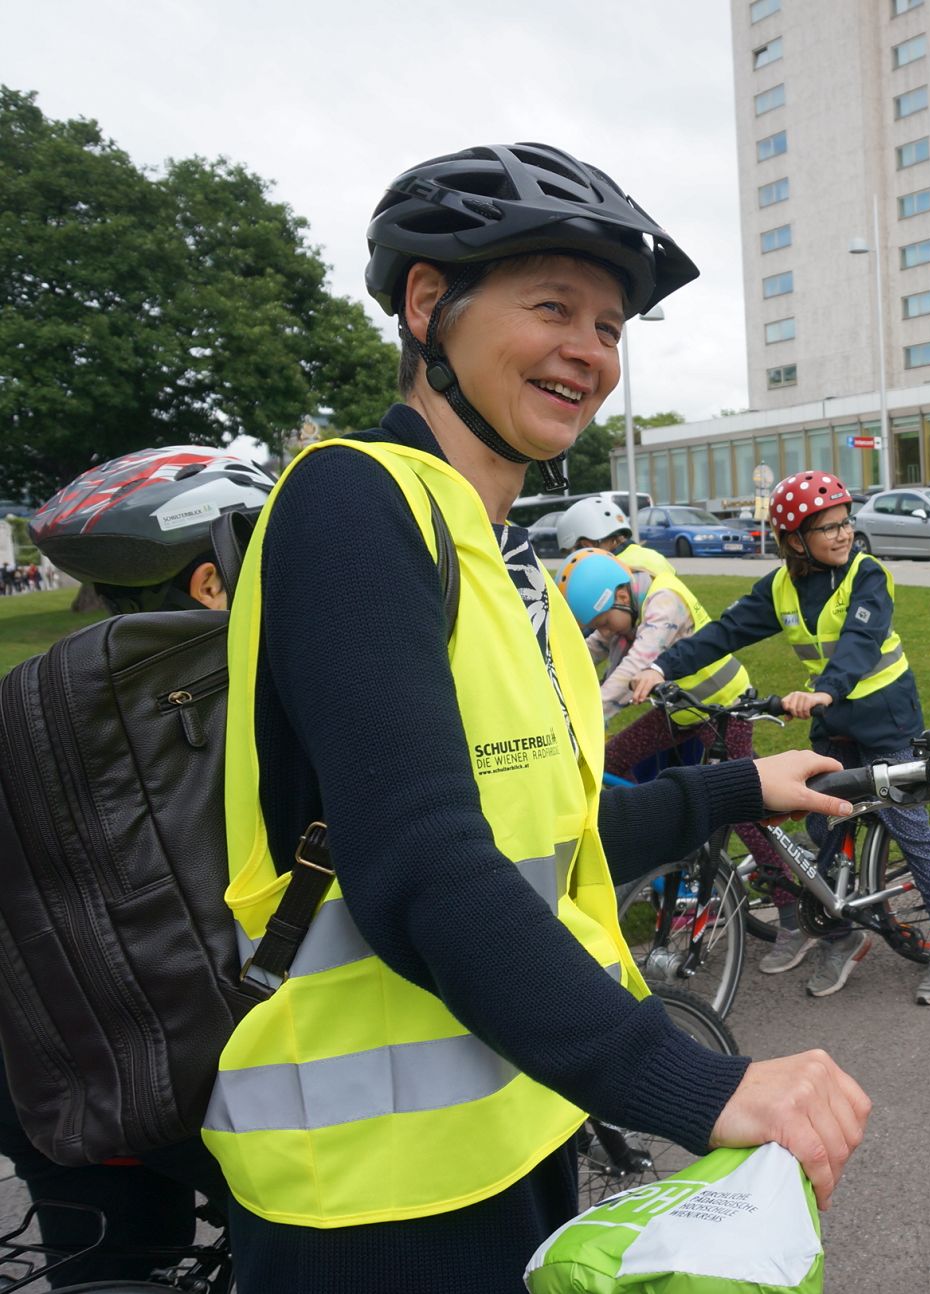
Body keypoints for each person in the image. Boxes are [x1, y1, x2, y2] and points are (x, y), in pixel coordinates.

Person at [204, 142, 870, 1293]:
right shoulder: (352, 502)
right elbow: (421, 862)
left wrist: (732, 789)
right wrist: (689, 1080)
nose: (590, 352)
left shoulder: (513, 575)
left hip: (517, 1134)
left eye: (610, 327)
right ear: (429, 307)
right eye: (552, 306)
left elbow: (548, 838)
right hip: (367, 1200)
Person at [7, 447, 269, 1285]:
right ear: (210, 585)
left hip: (45, 1081)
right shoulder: (239, 700)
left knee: (111, 1271)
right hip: (184, 1083)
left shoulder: (37, 694)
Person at [637, 471, 930, 1004]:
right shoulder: (781, 587)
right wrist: (663, 668)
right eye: (828, 528)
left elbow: (860, 644)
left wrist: (825, 691)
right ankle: (843, 929)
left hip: (885, 718)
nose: (843, 535)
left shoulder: (867, 575)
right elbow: (724, 632)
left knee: (906, 823)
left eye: (846, 523)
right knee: (818, 819)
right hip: (834, 723)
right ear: (794, 540)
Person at [557, 547, 800, 967]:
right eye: (597, 626)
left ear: (618, 598)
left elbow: (638, 662)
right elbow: (589, 651)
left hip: (726, 710)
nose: (603, 631)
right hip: (681, 712)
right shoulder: (620, 606)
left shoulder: (663, 603)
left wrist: (586, 719)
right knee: (612, 761)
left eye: (602, 622)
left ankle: (792, 919)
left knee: (744, 809)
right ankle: (649, 861)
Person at [557, 493, 677, 581]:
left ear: (586, 545)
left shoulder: (608, 572)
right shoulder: (656, 557)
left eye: (571, 555)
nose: (574, 562)